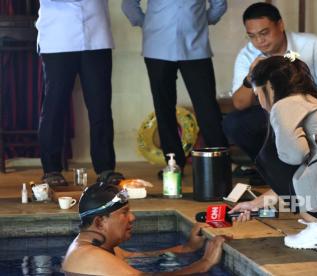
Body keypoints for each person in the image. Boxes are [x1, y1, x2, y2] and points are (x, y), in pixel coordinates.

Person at [230, 55, 317, 250]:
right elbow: (307, 175)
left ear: (269, 87)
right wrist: (257, 204)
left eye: (257, 93)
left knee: (269, 156)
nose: (260, 101)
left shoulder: (284, 105)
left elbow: (294, 157)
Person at [122, 0, 228, 176]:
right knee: (164, 107)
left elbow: (219, 5)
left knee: (207, 106)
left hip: (196, 47)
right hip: (157, 47)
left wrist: (199, 21)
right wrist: (148, 23)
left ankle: (219, 162)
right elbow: (129, 5)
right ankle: (173, 164)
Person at [222, 2, 317, 165]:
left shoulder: (311, 45)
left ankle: (310, 163)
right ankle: (268, 166)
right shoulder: (247, 55)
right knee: (233, 123)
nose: (260, 40)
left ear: (280, 25)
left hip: (309, 108)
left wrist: (301, 103)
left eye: (264, 32)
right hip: (269, 112)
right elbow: (239, 104)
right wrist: (250, 77)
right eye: (252, 36)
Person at [36, 0, 123, 186]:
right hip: (59, 37)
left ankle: (106, 168)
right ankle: (51, 169)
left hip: (97, 36)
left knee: (100, 106)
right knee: (55, 106)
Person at [62, 182, 228, 275]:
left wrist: (187, 248)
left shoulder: (97, 246)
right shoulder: (90, 255)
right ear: (99, 223)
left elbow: (138, 256)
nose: (132, 217)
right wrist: (204, 263)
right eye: (124, 212)